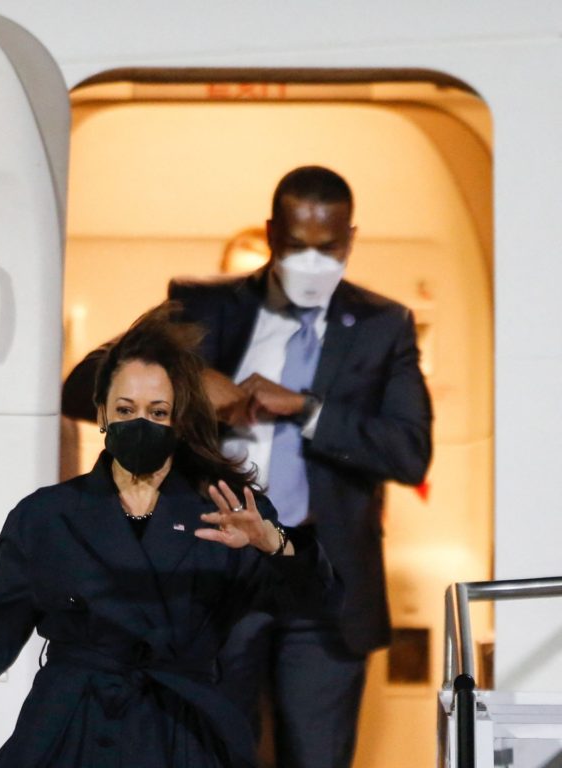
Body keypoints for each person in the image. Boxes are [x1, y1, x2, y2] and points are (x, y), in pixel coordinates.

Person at [0, 305, 337, 768]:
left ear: (179, 420)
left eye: (158, 413)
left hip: (182, 734)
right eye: (127, 410)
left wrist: (277, 546)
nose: (141, 423)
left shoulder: (230, 513)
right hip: (69, 730)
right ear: (103, 413)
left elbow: (319, 604)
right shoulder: (48, 517)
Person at [61, 165, 433, 768]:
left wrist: (307, 410)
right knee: (206, 750)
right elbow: (81, 389)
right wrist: (187, 387)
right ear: (271, 233)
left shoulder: (380, 326)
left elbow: (409, 449)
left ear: (351, 239)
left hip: (320, 581)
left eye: (329, 247)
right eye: (296, 246)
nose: (313, 261)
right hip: (215, 570)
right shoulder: (206, 307)